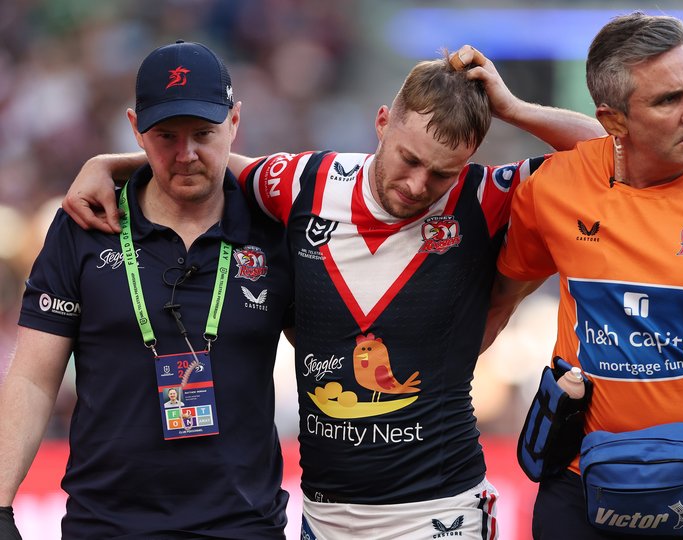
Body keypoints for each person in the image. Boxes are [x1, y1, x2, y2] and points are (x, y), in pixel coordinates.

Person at [61, 45, 605, 538]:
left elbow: (605, 155)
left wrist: (511, 108)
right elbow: (201, 160)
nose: (418, 185)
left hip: (439, 512)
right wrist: (106, 164)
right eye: (409, 159)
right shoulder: (301, 183)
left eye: (441, 173)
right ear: (382, 122)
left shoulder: (485, 197)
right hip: (321, 516)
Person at [483, 12, 683, 539]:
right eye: (667, 100)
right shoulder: (554, 188)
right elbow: (498, 302)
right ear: (614, 121)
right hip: (583, 483)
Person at [0, 41, 293, 538]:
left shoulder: (274, 226)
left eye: (204, 133)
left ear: (235, 122)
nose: (186, 155)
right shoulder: (84, 222)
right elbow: (33, 377)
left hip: (244, 526)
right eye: (165, 136)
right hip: (106, 526)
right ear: (135, 127)